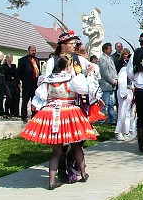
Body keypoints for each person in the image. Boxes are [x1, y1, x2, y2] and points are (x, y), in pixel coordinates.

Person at [20, 55, 98, 190]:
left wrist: (50, 99)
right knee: (76, 145)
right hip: (69, 113)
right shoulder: (71, 79)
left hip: (53, 112)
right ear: (67, 67)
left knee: (56, 150)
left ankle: (51, 181)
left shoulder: (47, 80)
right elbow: (85, 89)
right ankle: (84, 173)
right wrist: (90, 75)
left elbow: (40, 96)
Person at [115, 50, 136, 141]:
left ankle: (126, 131)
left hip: (131, 91)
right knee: (122, 112)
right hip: (125, 91)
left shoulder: (131, 70)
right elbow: (122, 81)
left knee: (129, 113)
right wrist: (123, 93)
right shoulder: (124, 69)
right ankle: (118, 131)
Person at [17, 45, 40, 123]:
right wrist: (23, 80)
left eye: (35, 50)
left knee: (34, 101)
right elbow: (19, 72)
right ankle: (24, 116)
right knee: (25, 100)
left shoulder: (37, 60)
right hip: (27, 84)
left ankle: (34, 115)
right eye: (32, 50)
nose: (33, 52)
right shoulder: (23, 60)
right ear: (28, 51)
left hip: (35, 84)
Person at [98, 42, 118, 125]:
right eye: (110, 48)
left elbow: (114, 70)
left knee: (111, 104)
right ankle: (101, 120)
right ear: (105, 50)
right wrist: (113, 81)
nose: (111, 50)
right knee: (104, 104)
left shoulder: (110, 58)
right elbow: (105, 73)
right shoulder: (102, 59)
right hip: (106, 85)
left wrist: (116, 78)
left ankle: (112, 120)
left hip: (112, 86)